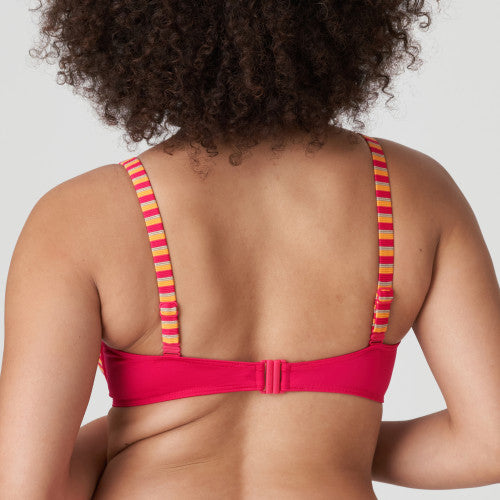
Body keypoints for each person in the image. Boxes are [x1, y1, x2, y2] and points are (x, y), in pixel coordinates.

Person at [1, 1, 499, 499]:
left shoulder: (80, 217)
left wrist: (120, 440)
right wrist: (335, 442)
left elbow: (28, 491)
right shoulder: (412, 191)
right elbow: (490, 442)